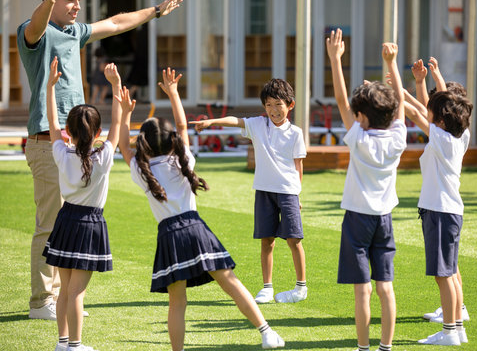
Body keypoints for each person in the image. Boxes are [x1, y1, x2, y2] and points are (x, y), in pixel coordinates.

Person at [17, 0, 184, 320]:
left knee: (72, 223)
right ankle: (42, 302)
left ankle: (65, 297)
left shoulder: (74, 32)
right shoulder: (32, 31)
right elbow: (37, 25)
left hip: (79, 143)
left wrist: (156, 11)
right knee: (49, 224)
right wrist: (50, 1)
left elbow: (117, 22)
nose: (77, 5)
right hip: (47, 141)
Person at [117, 67, 285, 351]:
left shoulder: (142, 170)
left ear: (143, 145)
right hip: (196, 229)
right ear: (171, 141)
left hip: (169, 236)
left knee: (177, 302)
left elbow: (123, 145)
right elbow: (183, 127)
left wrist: (123, 111)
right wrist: (173, 92)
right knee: (230, 282)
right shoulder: (182, 160)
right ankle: (266, 332)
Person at [191, 79, 308, 305]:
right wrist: (212, 122)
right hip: (263, 191)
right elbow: (236, 121)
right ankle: (266, 287)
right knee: (267, 241)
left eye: (278, 104)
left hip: (287, 192)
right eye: (268, 105)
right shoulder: (257, 125)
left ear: (290, 105)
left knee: (294, 239)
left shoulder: (295, 133)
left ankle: (301, 287)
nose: (273, 110)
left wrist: (297, 195)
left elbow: (298, 166)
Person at [326, 29, 407, 351]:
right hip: (385, 219)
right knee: (385, 288)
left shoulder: (358, 138)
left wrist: (335, 59)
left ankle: (363, 347)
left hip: (358, 220)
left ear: (361, 117)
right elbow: (399, 104)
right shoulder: (398, 139)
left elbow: (341, 101)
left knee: (363, 291)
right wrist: (392, 64)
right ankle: (386, 347)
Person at [43, 57, 122, 351]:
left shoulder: (63, 154)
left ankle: (63, 343)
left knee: (65, 290)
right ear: (96, 133)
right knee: (77, 292)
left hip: (65, 221)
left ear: (70, 131)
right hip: (89, 225)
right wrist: (116, 86)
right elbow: (116, 128)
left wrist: (50, 88)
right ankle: (74, 346)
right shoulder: (102, 159)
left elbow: (51, 123)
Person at [402, 86, 472, 345]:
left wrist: (392, 90)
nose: (427, 113)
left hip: (440, 213)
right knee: (450, 273)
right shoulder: (459, 137)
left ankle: (449, 331)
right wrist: (404, 90)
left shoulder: (441, 139)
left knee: (443, 275)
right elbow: (422, 110)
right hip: (449, 212)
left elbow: (414, 112)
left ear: (441, 121)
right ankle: (456, 329)